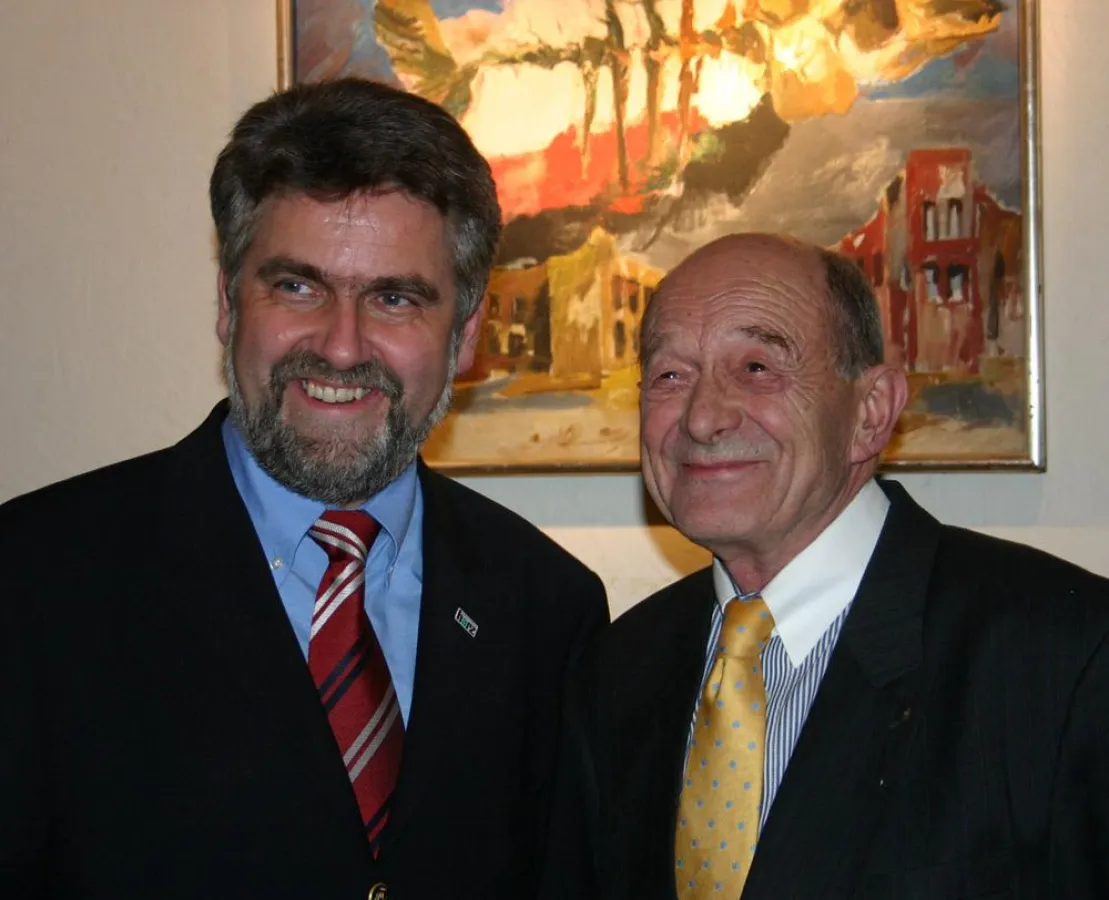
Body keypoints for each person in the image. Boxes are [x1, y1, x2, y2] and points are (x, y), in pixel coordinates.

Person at [0, 77, 607, 900]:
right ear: (228, 303)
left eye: (394, 298)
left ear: (465, 333)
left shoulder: (547, 607)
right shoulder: (32, 581)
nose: (342, 346)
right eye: (297, 286)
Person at [542, 233, 1109, 899]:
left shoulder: (1065, 652)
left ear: (871, 412)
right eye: (670, 376)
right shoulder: (617, 669)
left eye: (756, 367)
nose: (702, 418)